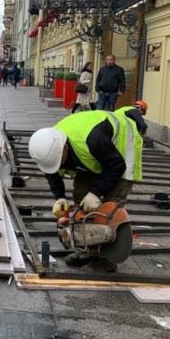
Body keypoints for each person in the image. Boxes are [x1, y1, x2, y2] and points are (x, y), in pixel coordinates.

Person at [28, 109, 144, 272]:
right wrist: (60, 197)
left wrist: (96, 193)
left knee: (110, 208)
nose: (59, 166)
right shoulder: (49, 142)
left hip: (122, 149)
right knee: (81, 202)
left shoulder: (93, 140)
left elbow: (116, 166)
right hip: (92, 156)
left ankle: (105, 258)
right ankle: (88, 250)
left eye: (59, 161)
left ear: (65, 148)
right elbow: (52, 172)